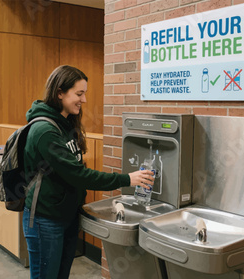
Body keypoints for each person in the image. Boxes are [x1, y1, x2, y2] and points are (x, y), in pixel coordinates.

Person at [22, 65, 154, 279]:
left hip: (66, 216)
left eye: (84, 94)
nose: (84, 100)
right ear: (59, 93)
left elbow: (76, 169)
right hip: (45, 220)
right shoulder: (45, 131)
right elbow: (78, 175)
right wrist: (128, 179)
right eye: (79, 94)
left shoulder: (65, 124)